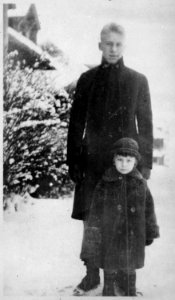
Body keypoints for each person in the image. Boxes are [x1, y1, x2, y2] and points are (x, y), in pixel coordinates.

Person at [67, 22, 153, 293]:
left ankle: (118, 279)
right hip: (92, 162)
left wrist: (145, 164)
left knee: (122, 222)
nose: (113, 49)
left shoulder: (138, 81)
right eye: (108, 43)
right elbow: (75, 123)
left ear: (123, 46)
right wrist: (74, 161)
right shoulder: (87, 80)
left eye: (118, 44)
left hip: (125, 163)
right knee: (91, 219)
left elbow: (146, 125)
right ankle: (92, 275)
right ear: (100, 45)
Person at [81, 137, 160, 296]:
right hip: (109, 232)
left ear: (135, 162)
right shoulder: (105, 182)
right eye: (120, 160)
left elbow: (149, 209)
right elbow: (95, 208)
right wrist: (93, 230)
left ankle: (130, 289)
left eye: (128, 160)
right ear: (114, 160)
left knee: (130, 263)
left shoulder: (140, 183)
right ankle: (108, 289)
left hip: (133, 234)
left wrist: (150, 231)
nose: (124, 164)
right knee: (109, 262)